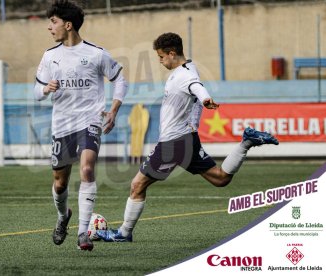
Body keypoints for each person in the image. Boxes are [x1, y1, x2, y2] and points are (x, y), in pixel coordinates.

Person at [96, 32, 278, 242]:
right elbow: (194, 87)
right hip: (186, 139)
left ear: (172, 54)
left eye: (162, 57)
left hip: (173, 143)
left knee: (137, 185)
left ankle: (123, 234)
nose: (161, 61)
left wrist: (206, 98)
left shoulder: (183, 75)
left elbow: (196, 87)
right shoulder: (190, 67)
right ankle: (246, 142)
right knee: (220, 179)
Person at [33, 0, 128, 251]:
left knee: (87, 170)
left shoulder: (96, 53)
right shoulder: (50, 56)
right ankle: (64, 216)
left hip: (89, 120)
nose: (49, 27)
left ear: (68, 24)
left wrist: (115, 109)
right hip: (62, 124)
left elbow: (120, 79)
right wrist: (45, 88)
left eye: (53, 22)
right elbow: (35, 91)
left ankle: (83, 234)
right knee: (60, 183)